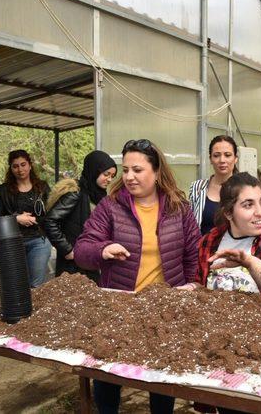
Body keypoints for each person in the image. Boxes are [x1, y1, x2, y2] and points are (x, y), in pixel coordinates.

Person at [74, 139, 201, 414]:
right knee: (108, 379)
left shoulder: (179, 208)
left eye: (138, 170)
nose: (129, 176)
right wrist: (103, 248)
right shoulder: (111, 207)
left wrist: (191, 286)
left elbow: (193, 255)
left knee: (161, 381)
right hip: (120, 308)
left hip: (165, 311)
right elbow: (82, 249)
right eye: (126, 169)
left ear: (156, 172)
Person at [191, 172, 261, 297]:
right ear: (228, 213)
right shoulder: (210, 240)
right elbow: (201, 284)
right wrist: (191, 287)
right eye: (248, 205)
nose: (260, 212)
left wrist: (249, 262)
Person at [44, 150, 116, 282]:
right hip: (73, 261)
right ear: (94, 170)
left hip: (91, 258)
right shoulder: (75, 193)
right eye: (106, 174)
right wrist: (67, 250)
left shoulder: (99, 195)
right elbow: (50, 221)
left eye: (112, 176)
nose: (109, 179)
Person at [0, 150, 51, 288]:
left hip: (39, 240)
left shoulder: (42, 187)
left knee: (36, 285)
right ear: (11, 168)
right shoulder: (3, 190)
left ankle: (36, 310)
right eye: (15, 166)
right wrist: (16, 218)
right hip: (13, 242)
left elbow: (51, 214)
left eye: (23, 164)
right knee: (16, 285)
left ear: (30, 165)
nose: (20, 169)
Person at [189, 135, 239, 235]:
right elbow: (190, 225)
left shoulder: (245, 188)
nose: (222, 160)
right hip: (203, 248)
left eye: (227, 155)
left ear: (235, 159)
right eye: (216, 155)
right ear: (211, 159)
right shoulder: (197, 187)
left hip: (235, 249)